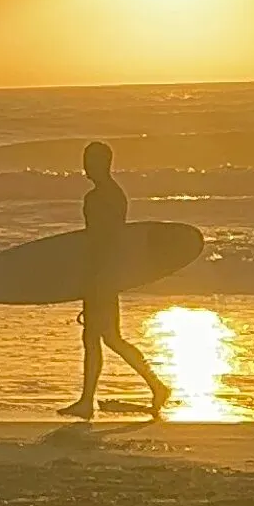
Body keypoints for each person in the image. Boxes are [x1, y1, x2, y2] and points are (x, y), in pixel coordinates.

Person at [57, 141, 171, 420]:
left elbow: (101, 241)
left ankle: (93, 401)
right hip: (107, 274)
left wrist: (94, 279)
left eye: (89, 161)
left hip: (101, 275)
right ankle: (153, 387)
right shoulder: (115, 194)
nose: (84, 166)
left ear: (102, 163)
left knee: (102, 339)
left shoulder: (98, 197)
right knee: (106, 339)